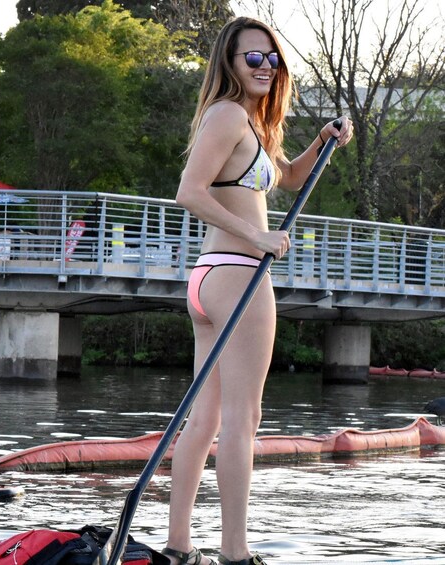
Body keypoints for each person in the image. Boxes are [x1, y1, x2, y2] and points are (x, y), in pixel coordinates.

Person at [167, 17, 353, 565]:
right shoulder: (226, 115)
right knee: (242, 421)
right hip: (237, 273)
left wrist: (324, 142)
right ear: (230, 63)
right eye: (253, 57)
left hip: (210, 280)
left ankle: (179, 547)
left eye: (272, 57)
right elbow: (189, 192)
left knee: (204, 420)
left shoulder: (247, 122)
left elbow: (287, 178)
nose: (266, 65)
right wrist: (258, 237)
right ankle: (235, 553)